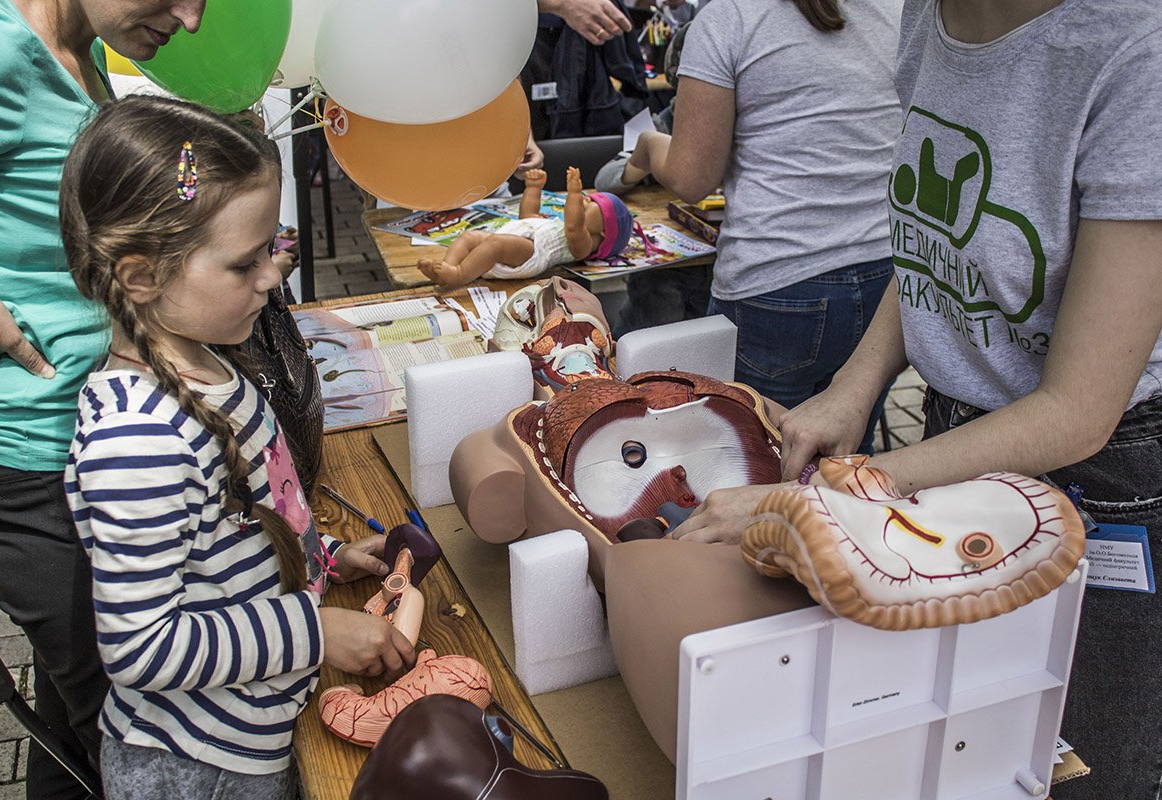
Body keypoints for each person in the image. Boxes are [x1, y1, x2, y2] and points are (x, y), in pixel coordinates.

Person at [673, 2, 1162, 797]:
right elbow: (936, 242)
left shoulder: (1135, 50)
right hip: (952, 432)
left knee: (1072, 765)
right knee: (944, 749)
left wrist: (844, 500)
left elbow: (1079, 410)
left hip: (1103, 476)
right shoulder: (928, 18)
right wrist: (852, 385)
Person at [59, 95, 417, 799]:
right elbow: (141, 646)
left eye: (273, 250)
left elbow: (252, 514)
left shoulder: (211, 358)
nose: (272, 277)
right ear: (140, 276)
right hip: (202, 765)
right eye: (243, 264)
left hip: (255, 720)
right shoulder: (136, 442)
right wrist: (315, 633)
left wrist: (324, 558)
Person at [0, 2, 203, 797]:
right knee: (128, 727)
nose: (191, 20)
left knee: (78, 716)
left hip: (86, 442)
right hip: (27, 459)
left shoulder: (83, 52)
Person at [599, 0, 902, 450]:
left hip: (779, 284)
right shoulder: (895, 9)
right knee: (845, 461)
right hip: (886, 274)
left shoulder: (731, 16)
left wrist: (647, 146)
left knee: (752, 461)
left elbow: (692, 177)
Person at [417, 166, 636, 288]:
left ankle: (458, 275)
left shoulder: (584, 245)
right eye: (588, 198)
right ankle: (447, 268)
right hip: (513, 243)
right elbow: (527, 216)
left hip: (531, 256)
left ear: (606, 230)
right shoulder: (554, 224)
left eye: (593, 204)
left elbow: (573, 226)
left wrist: (575, 194)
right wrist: (533, 188)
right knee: (469, 237)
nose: (586, 201)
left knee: (495, 244)